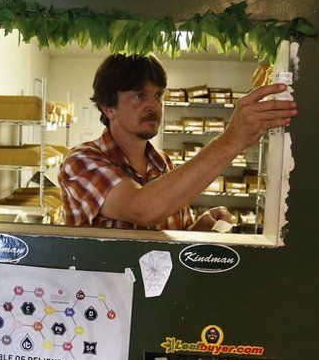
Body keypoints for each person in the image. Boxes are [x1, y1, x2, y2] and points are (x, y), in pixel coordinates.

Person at [59, 54, 297, 231]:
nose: (153, 105)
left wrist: (201, 228)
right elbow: (143, 209)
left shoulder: (163, 163)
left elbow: (171, 242)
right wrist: (231, 139)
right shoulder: (80, 161)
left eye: (158, 95)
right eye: (140, 95)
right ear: (108, 107)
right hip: (106, 297)